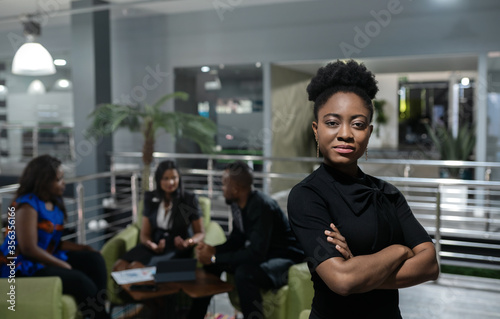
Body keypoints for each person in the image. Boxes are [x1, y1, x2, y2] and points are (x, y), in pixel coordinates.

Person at [287, 60, 439, 319]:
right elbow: (343, 280)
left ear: (368, 133)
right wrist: (399, 250)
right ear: (316, 129)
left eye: (357, 124)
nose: (345, 133)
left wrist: (361, 271)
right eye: (332, 122)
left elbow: (429, 265)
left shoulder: (387, 193)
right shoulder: (307, 196)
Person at [0, 155, 111, 319]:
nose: (64, 183)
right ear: (44, 181)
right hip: (21, 265)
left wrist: (84, 249)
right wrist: (61, 264)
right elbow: (28, 248)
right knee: (80, 281)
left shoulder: (54, 201)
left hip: (45, 256)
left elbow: (54, 242)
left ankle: (97, 311)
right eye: (59, 180)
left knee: (94, 260)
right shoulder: (26, 205)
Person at [192, 161, 304, 319]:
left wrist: (214, 257)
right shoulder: (237, 204)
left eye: (224, 184)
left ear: (236, 188)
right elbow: (237, 238)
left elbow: (256, 253)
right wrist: (213, 251)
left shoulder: (263, 207)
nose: (221, 188)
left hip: (286, 257)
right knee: (211, 266)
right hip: (264, 253)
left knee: (244, 273)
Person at [113, 160, 204, 271]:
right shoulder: (150, 197)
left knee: (136, 267)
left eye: (174, 178)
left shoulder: (189, 199)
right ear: (158, 179)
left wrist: (188, 242)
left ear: (179, 178)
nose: (170, 182)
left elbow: (200, 232)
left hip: (177, 248)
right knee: (119, 266)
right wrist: (150, 244)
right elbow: (145, 233)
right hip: (154, 245)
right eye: (165, 178)